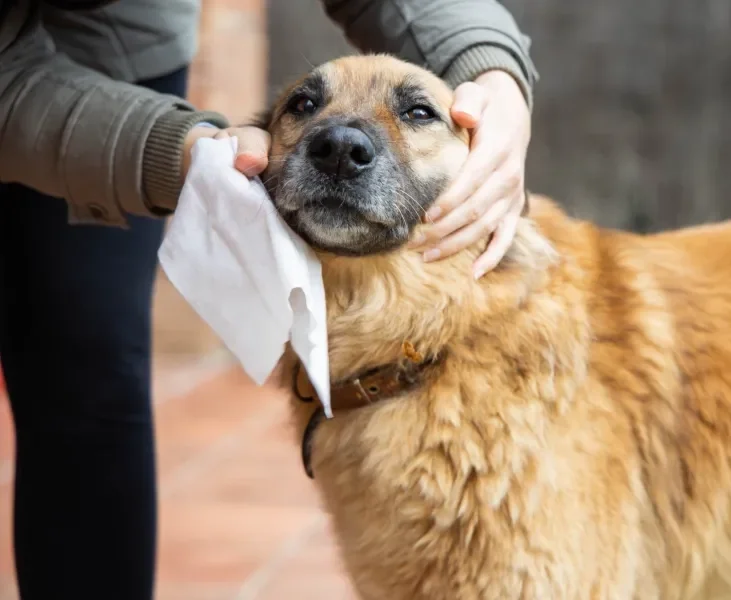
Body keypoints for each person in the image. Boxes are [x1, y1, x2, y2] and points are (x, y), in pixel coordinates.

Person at [0, 0, 537, 598]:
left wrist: (496, 73)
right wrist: (182, 149)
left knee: (87, 363)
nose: (340, 141)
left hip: (116, 31)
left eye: (414, 113)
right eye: (305, 108)